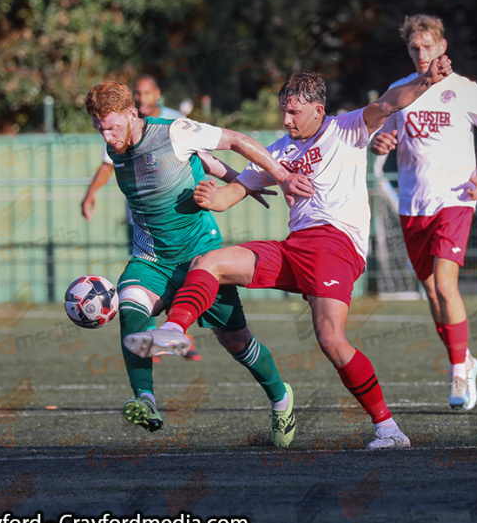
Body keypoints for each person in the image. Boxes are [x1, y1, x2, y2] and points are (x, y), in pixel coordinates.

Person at [125, 56, 453, 450]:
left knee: (331, 340)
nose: (286, 120)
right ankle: (173, 330)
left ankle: (388, 429)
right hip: (294, 247)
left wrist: (426, 81)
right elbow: (231, 196)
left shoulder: (347, 128)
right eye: (283, 111)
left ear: (318, 110)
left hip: (335, 245)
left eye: (294, 112)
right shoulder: (278, 151)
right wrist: (210, 197)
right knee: (208, 262)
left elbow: (389, 103)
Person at [84, 80, 314, 447]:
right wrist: (237, 179)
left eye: (112, 126)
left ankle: (280, 396)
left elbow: (234, 140)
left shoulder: (173, 131)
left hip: (200, 257)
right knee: (129, 305)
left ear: (132, 113)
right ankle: (146, 400)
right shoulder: (116, 146)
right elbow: (201, 160)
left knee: (237, 342)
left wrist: (276, 178)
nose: (107, 136)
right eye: (99, 128)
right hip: (152, 257)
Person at [370, 14, 477, 411]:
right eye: (414, 47)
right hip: (414, 204)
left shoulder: (467, 91)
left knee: (446, 284)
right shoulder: (398, 91)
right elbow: (381, 132)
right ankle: (465, 358)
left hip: (456, 198)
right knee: (431, 291)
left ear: (442, 47)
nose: (421, 53)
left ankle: (458, 374)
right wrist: (382, 141)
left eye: (428, 46)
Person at [81, 75, 183, 222]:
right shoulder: (120, 127)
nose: (142, 98)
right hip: (141, 217)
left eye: (147, 93)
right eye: (137, 93)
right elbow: (107, 166)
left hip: (177, 214)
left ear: (157, 93)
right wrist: (91, 192)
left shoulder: (176, 121)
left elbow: (200, 158)